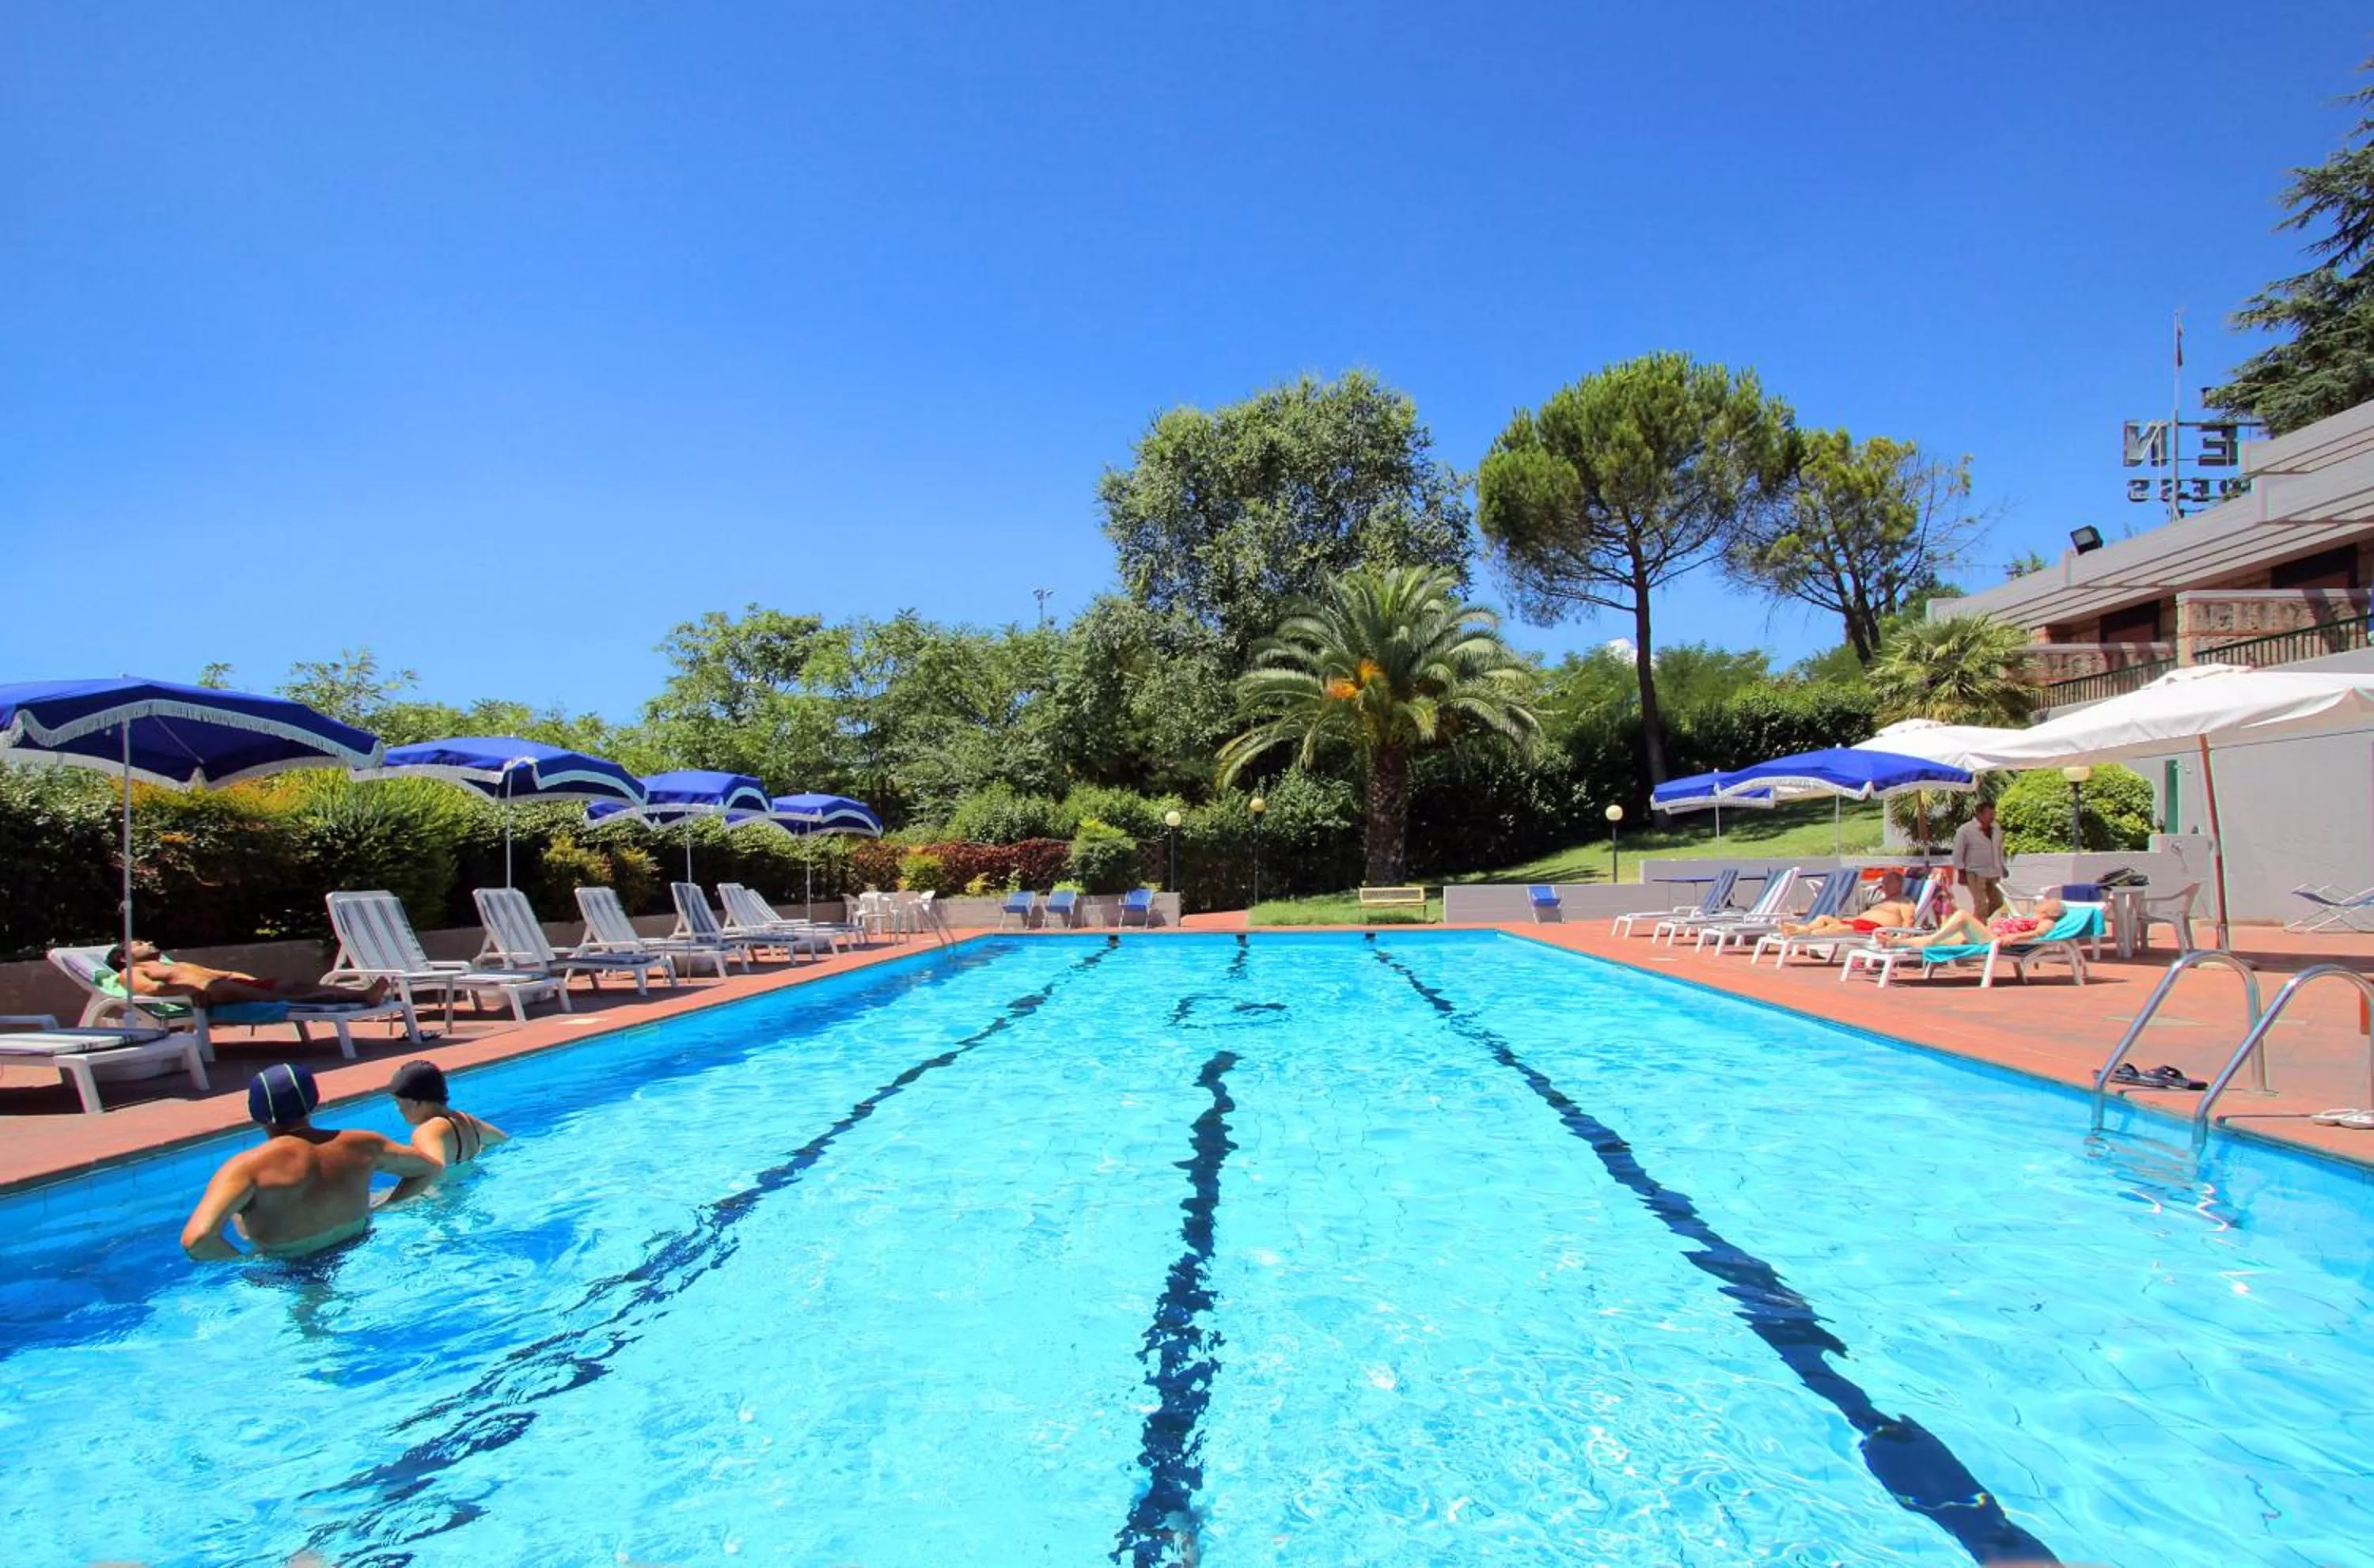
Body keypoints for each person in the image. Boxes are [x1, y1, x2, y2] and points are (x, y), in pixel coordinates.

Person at [180, 1063, 437, 1260]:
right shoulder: (363, 1144)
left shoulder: (247, 1168)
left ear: (257, 1114)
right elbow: (431, 1167)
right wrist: (387, 1205)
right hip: (359, 1247)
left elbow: (198, 1240)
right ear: (313, 1102)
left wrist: (246, 1264)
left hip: (287, 1268)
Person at [107, 939, 388, 1008]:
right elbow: (148, 991)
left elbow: (225, 972)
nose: (148, 943)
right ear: (123, 957)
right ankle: (298, 1003)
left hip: (229, 984)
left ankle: (362, 995)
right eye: (139, 943)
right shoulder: (132, 971)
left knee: (290, 983)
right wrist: (189, 991)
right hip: (210, 994)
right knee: (281, 995)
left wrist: (248, 979)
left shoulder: (169, 964)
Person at [384, 1059, 509, 1203]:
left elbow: (433, 1169)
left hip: (442, 1202)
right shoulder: (467, 1120)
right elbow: (502, 1140)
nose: (397, 1109)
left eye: (398, 1102)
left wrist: (390, 1203)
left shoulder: (428, 1130)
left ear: (415, 1102)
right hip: (468, 1190)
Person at [1879, 895, 2068, 949]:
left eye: (2047, 902)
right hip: (1989, 934)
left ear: (2052, 911)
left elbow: (2039, 934)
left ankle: (1930, 938)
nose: (2042, 902)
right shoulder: (2032, 916)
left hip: (1994, 940)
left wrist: (2016, 936)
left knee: (1962, 915)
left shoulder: (2047, 922)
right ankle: (1894, 943)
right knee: (1938, 941)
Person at [1777, 870, 1918, 937]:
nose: (1884, 885)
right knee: (1823, 918)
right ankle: (1802, 930)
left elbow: (1909, 922)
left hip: (1873, 929)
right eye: (1883, 882)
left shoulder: (1905, 902)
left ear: (1899, 884)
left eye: (1888, 882)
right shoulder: (1883, 901)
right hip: (1858, 924)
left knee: (1831, 928)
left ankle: (1799, 930)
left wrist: (1900, 940)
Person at [1951, 801, 2008, 920]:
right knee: (1981, 905)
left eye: (1994, 813)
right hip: (1974, 873)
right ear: (1979, 814)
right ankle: (1980, 930)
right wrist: (1961, 873)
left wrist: (2002, 866)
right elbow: (1958, 853)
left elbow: (1999, 848)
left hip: (1993, 871)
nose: (1992, 817)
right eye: (1989, 814)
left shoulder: (1996, 827)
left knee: (1998, 901)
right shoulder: (1965, 830)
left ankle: (1974, 922)